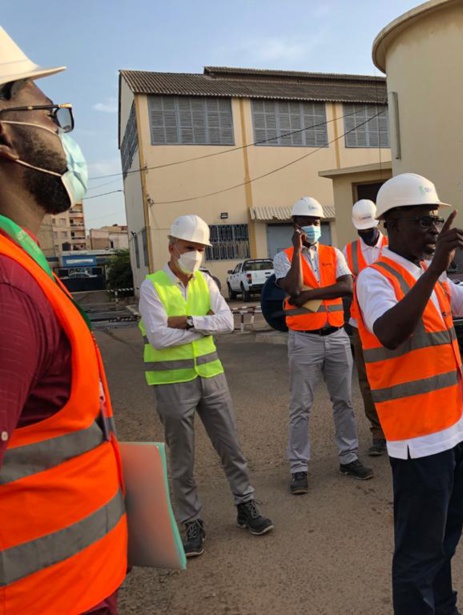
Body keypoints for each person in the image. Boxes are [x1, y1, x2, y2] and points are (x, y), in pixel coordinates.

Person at [0, 27, 127, 613]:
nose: (59, 131)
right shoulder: (7, 288)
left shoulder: (21, 266)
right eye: (50, 115)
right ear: (5, 133)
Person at [356, 173, 463, 615]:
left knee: (444, 541)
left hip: (452, 432)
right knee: (418, 552)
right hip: (417, 440)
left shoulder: (438, 282)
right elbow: (389, 333)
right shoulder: (375, 278)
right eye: (420, 221)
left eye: (434, 219)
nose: (432, 228)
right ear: (390, 225)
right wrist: (432, 270)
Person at [139, 215, 273, 558]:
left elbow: (226, 322)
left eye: (200, 249)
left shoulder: (206, 282)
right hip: (171, 383)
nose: (195, 254)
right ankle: (192, 522)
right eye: (189, 247)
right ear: (171, 247)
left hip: (211, 377)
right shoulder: (152, 286)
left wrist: (188, 321)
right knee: (182, 460)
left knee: (231, 448)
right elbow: (157, 336)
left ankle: (246, 506)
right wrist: (203, 327)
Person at [274, 196, 373, 495]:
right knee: (301, 406)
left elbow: (346, 286)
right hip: (305, 341)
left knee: (343, 401)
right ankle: (299, 468)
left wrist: (310, 294)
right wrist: (296, 253)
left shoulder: (334, 253)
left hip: (338, 337)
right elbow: (291, 286)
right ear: (296, 226)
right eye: (306, 222)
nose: (312, 227)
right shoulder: (283, 257)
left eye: (316, 222)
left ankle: (349, 457)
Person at [344, 199, 389, 456]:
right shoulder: (348, 251)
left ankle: (398, 426)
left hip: (392, 321)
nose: (365, 233)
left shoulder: (393, 246)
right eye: (361, 229)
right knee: (368, 380)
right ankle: (378, 432)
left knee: (395, 374)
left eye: (369, 227)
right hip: (360, 325)